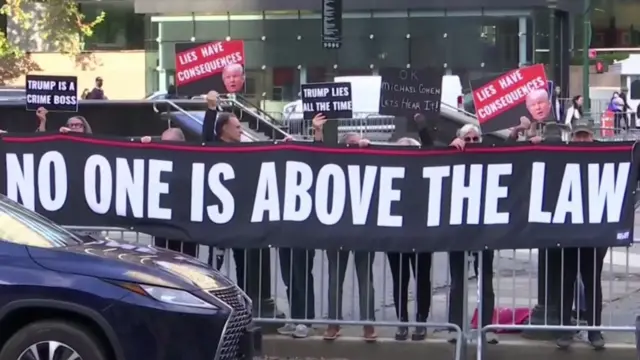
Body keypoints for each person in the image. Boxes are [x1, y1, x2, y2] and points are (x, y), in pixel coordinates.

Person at [556, 124, 607, 350]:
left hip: (594, 233)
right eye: (579, 136)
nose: (582, 140)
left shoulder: (603, 157)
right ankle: (565, 330)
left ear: (592, 137)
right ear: (573, 138)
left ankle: (594, 332)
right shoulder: (563, 156)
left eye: (586, 136)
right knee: (566, 281)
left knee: (592, 282)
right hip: (568, 232)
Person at [447, 124, 498, 345]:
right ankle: (455, 327)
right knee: (458, 281)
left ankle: (485, 328)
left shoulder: (488, 158)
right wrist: (448, 150)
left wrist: (518, 132)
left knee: (485, 281)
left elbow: (511, 155)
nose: (472, 143)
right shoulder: (453, 155)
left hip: (484, 231)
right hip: (457, 231)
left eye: (476, 139)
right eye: (467, 139)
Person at [388, 135, 433, 341]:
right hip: (395, 236)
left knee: (422, 279)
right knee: (400, 280)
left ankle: (421, 322)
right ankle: (402, 322)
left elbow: (432, 148)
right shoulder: (389, 174)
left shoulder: (425, 173)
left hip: (421, 236)